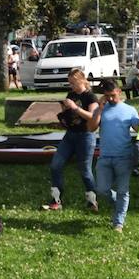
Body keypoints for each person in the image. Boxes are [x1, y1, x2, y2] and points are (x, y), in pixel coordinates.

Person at [44, 68, 100, 211]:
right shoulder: (71, 94)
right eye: (70, 83)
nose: (71, 86)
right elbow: (69, 115)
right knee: (56, 165)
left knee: (85, 170)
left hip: (85, 136)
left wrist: (75, 107)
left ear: (81, 80)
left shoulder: (91, 97)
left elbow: (92, 117)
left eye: (73, 83)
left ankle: (92, 201)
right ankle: (56, 200)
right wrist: (63, 115)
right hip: (70, 135)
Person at [95, 78, 139, 232]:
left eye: (113, 95)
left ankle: (118, 223)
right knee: (101, 189)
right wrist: (99, 109)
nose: (110, 99)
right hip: (105, 156)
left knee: (123, 190)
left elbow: (138, 129)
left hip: (124, 156)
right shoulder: (102, 108)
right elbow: (90, 127)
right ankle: (117, 202)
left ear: (119, 92)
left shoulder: (129, 110)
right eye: (107, 96)